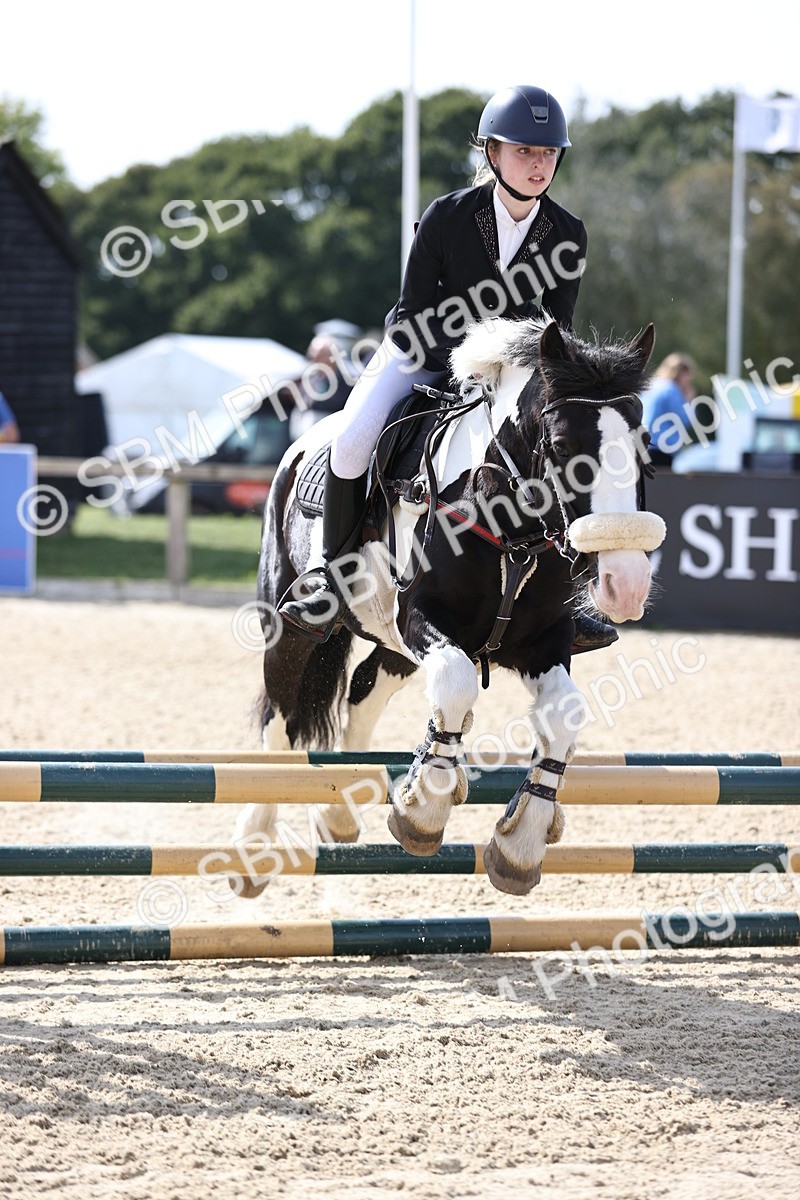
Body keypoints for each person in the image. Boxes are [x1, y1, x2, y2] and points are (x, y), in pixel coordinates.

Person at [279, 85, 610, 653]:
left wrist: (518, 376)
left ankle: (569, 600)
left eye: (549, 154)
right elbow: (411, 317)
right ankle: (326, 578)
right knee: (355, 439)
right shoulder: (448, 217)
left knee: (563, 447)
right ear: (493, 153)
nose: (538, 165)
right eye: (525, 152)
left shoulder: (567, 233)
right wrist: (467, 367)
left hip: (506, 375)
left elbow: (557, 331)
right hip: (419, 353)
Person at [641, 353, 697, 468]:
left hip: (641, 444)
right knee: (660, 484)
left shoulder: (651, 386)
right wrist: (689, 401)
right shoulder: (672, 390)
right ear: (681, 374)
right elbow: (685, 420)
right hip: (660, 448)